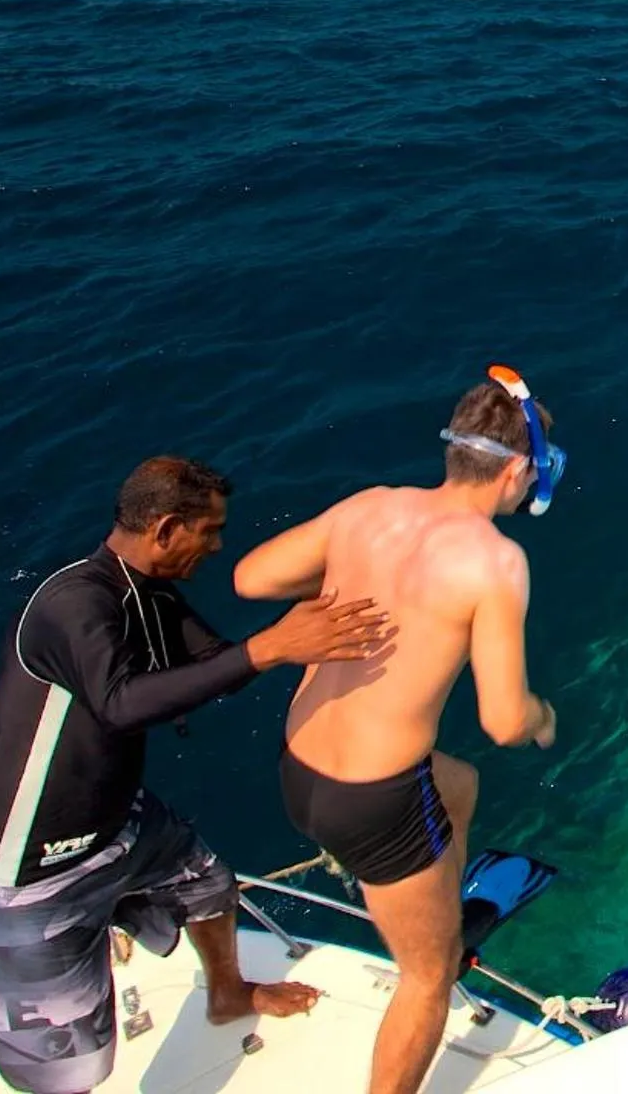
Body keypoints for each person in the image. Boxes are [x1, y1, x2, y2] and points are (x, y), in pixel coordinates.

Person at [0, 457, 395, 1094]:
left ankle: (228, 993)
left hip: (119, 826)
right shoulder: (74, 603)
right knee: (71, 1072)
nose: (215, 547)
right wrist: (270, 646)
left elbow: (219, 663)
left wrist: (331, 611)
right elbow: (122, 702)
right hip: (28, 873)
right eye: (207, 532)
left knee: (209, 885)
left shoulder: (147, 595)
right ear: (165, 529)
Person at [233, 367, 564, 1094]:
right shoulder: (496, 561)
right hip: (376, 804)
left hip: (299, 767)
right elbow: (503, 720)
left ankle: (446, 890)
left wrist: (350, 582)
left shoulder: (370, 509)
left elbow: (251, 579)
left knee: (460, 784)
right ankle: (437, 944)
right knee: (427, 979)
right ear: (515, 470)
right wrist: (543, 717)